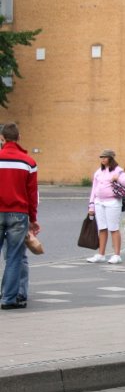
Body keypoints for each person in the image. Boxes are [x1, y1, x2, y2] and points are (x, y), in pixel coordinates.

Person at [0, 123, 40, 310]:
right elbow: (32, 194)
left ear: (2, 138)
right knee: (15, 256)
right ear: (19, 137)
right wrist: (33, 219)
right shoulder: (28, 162)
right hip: (19, 213)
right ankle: (9, 299)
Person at [87, 149, 125, 264]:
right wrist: (91, 206)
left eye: (105, 157)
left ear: (111, 158)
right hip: (99, 202)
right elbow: (94, 189)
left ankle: (117, 255)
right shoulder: (99, 172)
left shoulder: (118, 171)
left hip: (112, 202)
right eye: (101, 157)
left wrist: (117, 178)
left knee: (113, 228)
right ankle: (101, 254)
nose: (103, 159)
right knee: (102, 228)